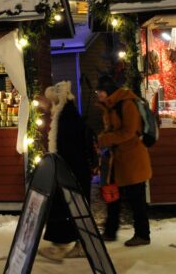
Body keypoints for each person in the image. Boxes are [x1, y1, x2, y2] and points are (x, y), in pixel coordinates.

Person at [40, 81, 96, 261]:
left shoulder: (66, 117)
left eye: (52, 101)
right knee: (73, 208)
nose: (49, 105)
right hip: (72, 170)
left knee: (66, 207)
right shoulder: (65, 114)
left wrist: (60, 168)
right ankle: (77, 244)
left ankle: (61, 246)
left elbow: (70, 147)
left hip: (72, 171)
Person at [96, 75, 151, 246]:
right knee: (113, 196)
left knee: (137, 200)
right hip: (117, 159)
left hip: (133, 158)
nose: (98, 95)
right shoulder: (110, 106)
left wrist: (105, 139)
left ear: (109, 92)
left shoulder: (126, 104)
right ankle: (110, 231)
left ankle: (142, 235)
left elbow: (129, 132)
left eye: (100, 92)